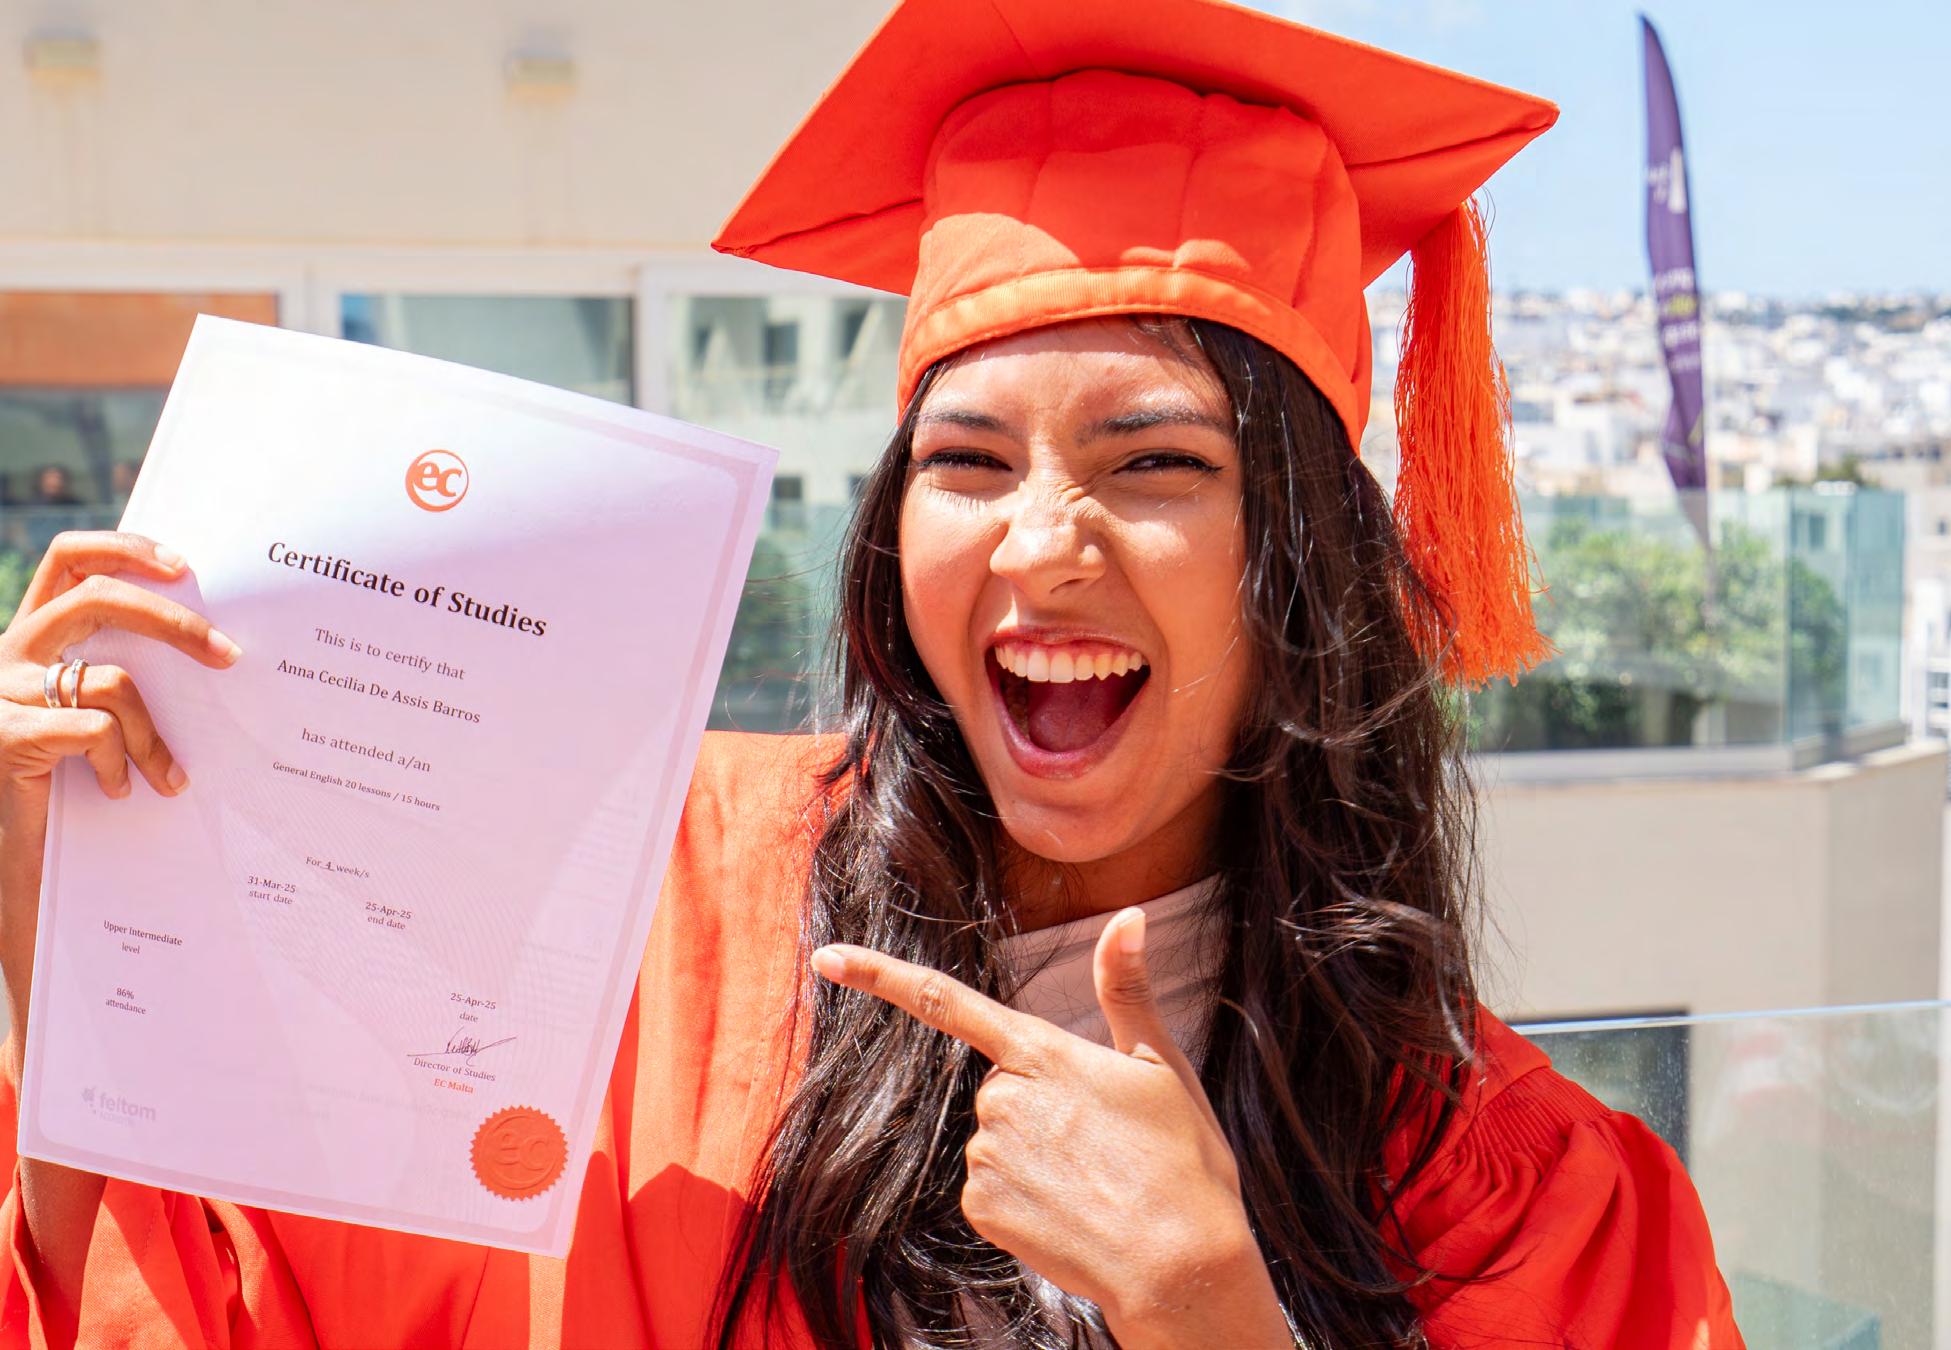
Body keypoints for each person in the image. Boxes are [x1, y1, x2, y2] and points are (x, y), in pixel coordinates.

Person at [0, 0, 1744, 1346]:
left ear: (1304, 559)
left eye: (1153, 462)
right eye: (966, 462)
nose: (1040, 542)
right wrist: (72, 930)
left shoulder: (1518, 1188)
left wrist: (1213, 1314)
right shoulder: (644, 897)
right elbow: (257, 1275)